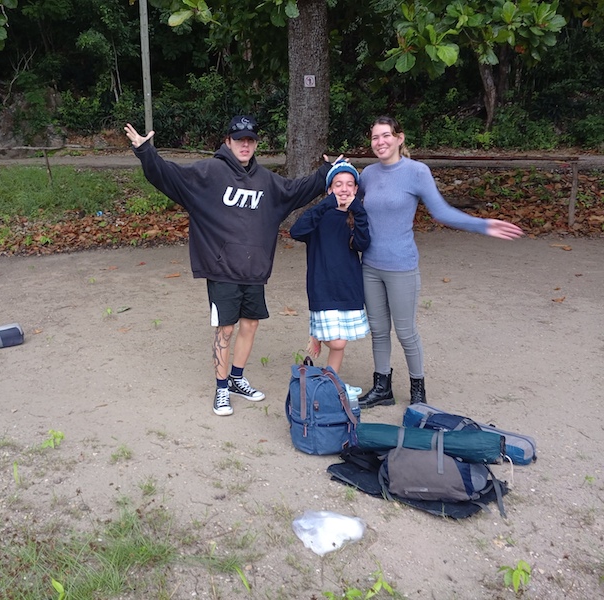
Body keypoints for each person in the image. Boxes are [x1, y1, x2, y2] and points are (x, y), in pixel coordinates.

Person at [124, 116, 333, 417]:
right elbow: (169, 176)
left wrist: (326, 171)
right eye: (239, 139)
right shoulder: (209, 173)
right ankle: (221, 389)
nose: (245, 145)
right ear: (227, 142)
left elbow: (296, 190)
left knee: (250, 324)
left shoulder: (266, 181)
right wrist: (146, 152)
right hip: (222, 268)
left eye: (250, 140)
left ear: (256, 144)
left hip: (254, 269)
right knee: (226, 329)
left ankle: (236, 378)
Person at [356, 116, 524, 409]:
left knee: (406, 332)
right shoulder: (367, 174)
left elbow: (442, 213)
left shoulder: (416, 172)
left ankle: (418, 389)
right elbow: (348, 205)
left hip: (401, 266)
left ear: (400, 138)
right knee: (379, 330)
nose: (380, 142)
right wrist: (329, 172)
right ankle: (382, 387)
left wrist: (483, 225)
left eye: (385, 136)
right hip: (370, 265)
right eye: (374, 138)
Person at [289, 160, 370, 395]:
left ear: (356, 190)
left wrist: (359, 210)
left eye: (349, 185)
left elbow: (364, 243)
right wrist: (326, 205)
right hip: (322, 285)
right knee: (336, 342)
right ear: (329, 190)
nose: (344, 189)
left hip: (348, 287)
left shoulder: (356, 217)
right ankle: (318, 335)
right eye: (337, 184)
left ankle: (330, 386)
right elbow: (296, 231)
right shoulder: (319, 216)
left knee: (340, 342)